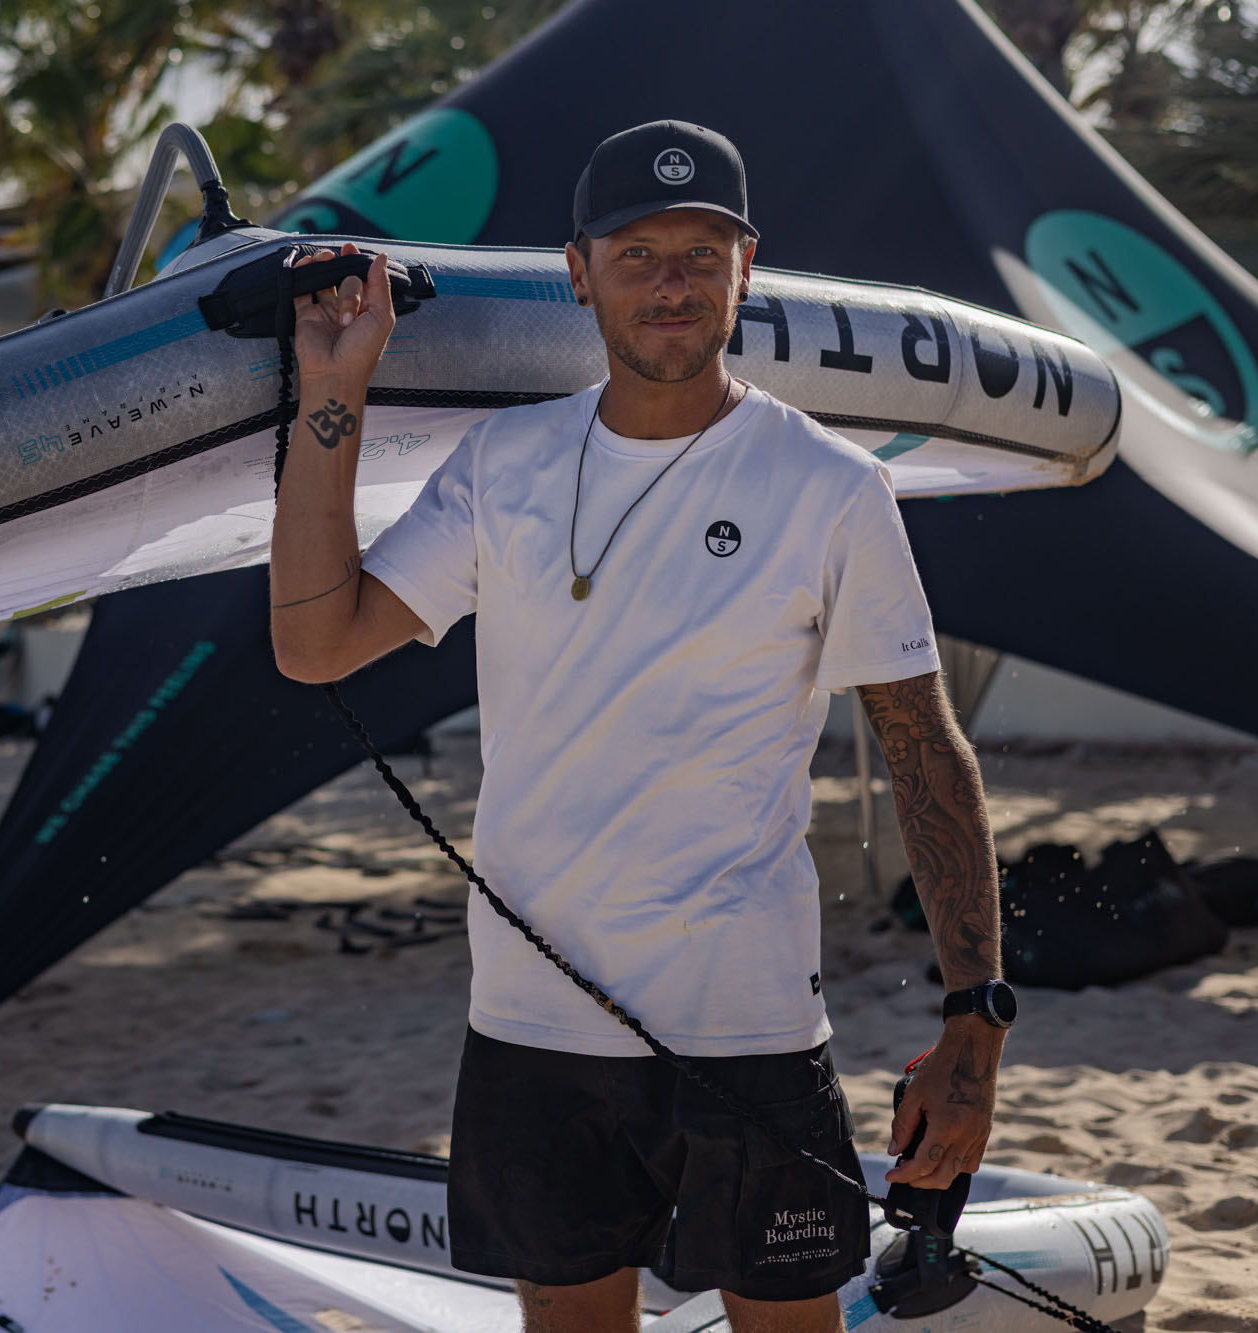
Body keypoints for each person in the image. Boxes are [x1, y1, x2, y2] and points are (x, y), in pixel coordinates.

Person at [267, 120, 1010, 1333]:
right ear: (578, 272)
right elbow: (313, 643)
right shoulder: (502, 466)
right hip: (533, 1021)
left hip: (749, 1021)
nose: (671, 282)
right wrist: (331, 391)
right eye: (635, 254)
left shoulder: (830, 488)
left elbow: (924, 751)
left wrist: (974, 1024)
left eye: (701, 253)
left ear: (744, 269)